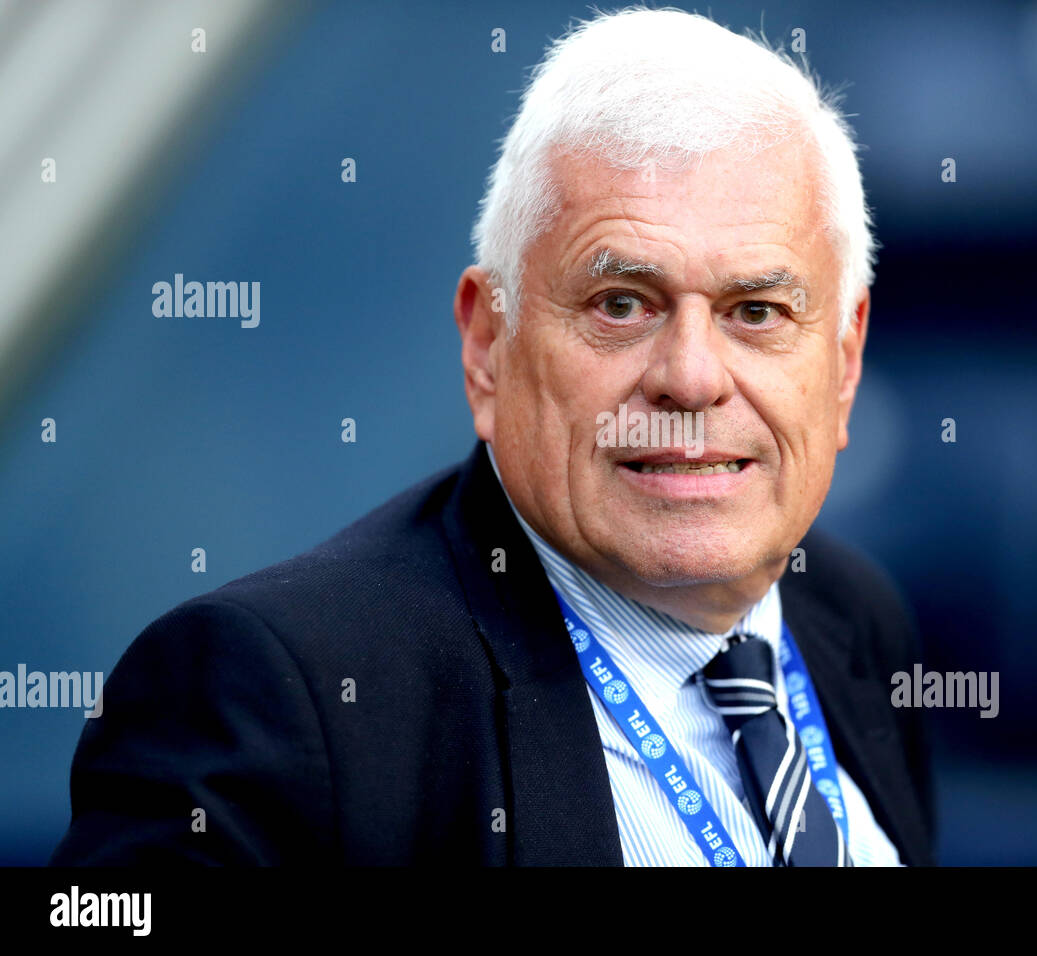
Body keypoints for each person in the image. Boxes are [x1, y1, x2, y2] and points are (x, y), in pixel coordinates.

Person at [51, 7, 934, 867]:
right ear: (487, 347)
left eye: (756, 311)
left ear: (845, 363)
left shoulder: (848, 618)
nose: (694, 378)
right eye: (621, 304)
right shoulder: (272, 701)